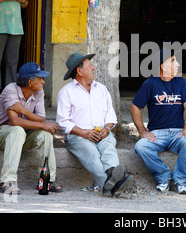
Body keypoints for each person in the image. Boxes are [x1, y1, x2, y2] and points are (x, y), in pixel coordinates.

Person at [56, 52, 133, 197]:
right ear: (79, 71)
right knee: (92, 154)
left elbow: (111, 115)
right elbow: (62, 121)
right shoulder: (66, 92)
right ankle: (112, 185)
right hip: (78, 136)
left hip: (102, 133)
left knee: (108, 147)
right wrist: (83, 132)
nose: (94, 68)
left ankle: (112, 174)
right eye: (90, 65)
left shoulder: (101, 89)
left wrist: (107, 128)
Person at [0, 62, 62, 194]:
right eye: (40, 78)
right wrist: (41, 123)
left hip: (22, 136)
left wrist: (24, 111)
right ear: (30, 83)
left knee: (46, 134)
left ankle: (47, 180)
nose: (43, 82)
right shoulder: (10, 90)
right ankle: (7, 182)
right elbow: (15, 121)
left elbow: (41, 118)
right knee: (18, 130)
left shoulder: (39, 92)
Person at [131, 47, 186, 194]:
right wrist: (142, 131)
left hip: (178, 132)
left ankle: (181, 181)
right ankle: (164, 177)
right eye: (173, 61)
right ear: (162, 66)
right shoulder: (150, 84)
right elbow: (135, 107)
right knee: (141, 146)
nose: (178, 64)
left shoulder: (180, 82)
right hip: (157, 134)